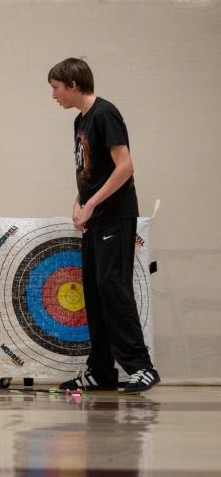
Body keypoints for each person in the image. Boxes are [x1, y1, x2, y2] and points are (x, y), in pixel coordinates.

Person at [48, 57, 159, 393]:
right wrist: (79, 201)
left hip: (115, 216)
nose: (53, 95)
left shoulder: (105, 113)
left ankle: (141, 367)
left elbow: (125, 167)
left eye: (55, 88)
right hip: (95, 218)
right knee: (95, 293)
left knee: (114, 289)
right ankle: (100, 370)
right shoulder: (80, 121)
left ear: (73, 85)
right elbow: (90, 171)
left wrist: (93, 203)